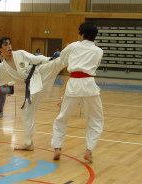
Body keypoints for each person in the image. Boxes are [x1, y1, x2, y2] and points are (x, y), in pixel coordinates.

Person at [0, 37, 67, 150]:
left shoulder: (20, 54)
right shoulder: (1, 68)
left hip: (39, 72)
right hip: (32, 85)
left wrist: (50, 58)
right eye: (5, 45)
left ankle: (73, 53)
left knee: (57, 62)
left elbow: (35, 59)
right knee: (26, 113)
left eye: (9, 44)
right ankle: (29, 143)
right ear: (0, 49)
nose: (9, 46)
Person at [51, 22, 104, 163]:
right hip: (89, 85)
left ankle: (57, 148)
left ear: (82, 34)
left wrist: (71, 50)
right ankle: (89, 150)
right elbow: (96, 65)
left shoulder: (74, 46)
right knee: (95, 119)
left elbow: (62, 60)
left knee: (62, 117)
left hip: (73, 84)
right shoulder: (98, 51)